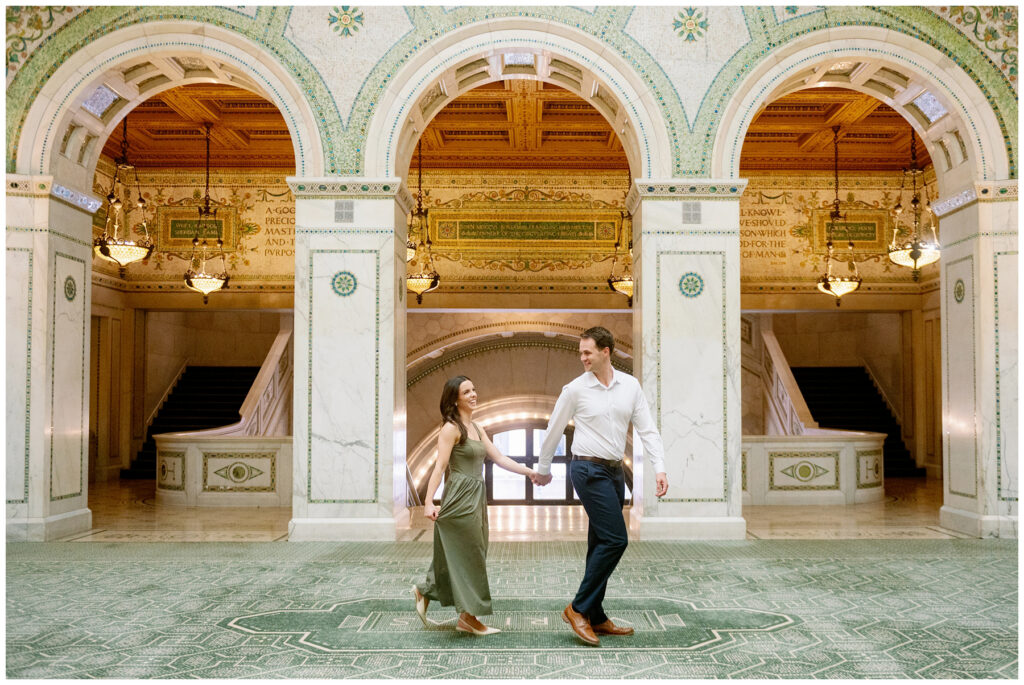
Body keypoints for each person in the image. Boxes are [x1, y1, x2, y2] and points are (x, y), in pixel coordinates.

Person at [534, 326, 668, 646]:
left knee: (600, 542)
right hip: (586, 469)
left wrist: (659, 468)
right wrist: (543, 468)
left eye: (587, 352)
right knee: (616, 539)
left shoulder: (630, 386)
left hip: (614, 471)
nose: (582, 357)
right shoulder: (575, 389)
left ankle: (595, 614)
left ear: (605, 352)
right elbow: (554, 429)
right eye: (581, 352)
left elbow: (647, 430)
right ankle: (578, 608)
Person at [413, 375, 542, 635]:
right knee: (471, 554)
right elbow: (439, 466)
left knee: (475, 550)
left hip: (477, 494)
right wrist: (428, 502)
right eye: (467, 391)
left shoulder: (478, 427)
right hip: (459, 495)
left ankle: (426, 589)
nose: (474, 394)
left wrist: (529, 472)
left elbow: (500, 458)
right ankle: (468, 618)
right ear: (455, 398)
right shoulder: (451, 428)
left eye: (474, 389)